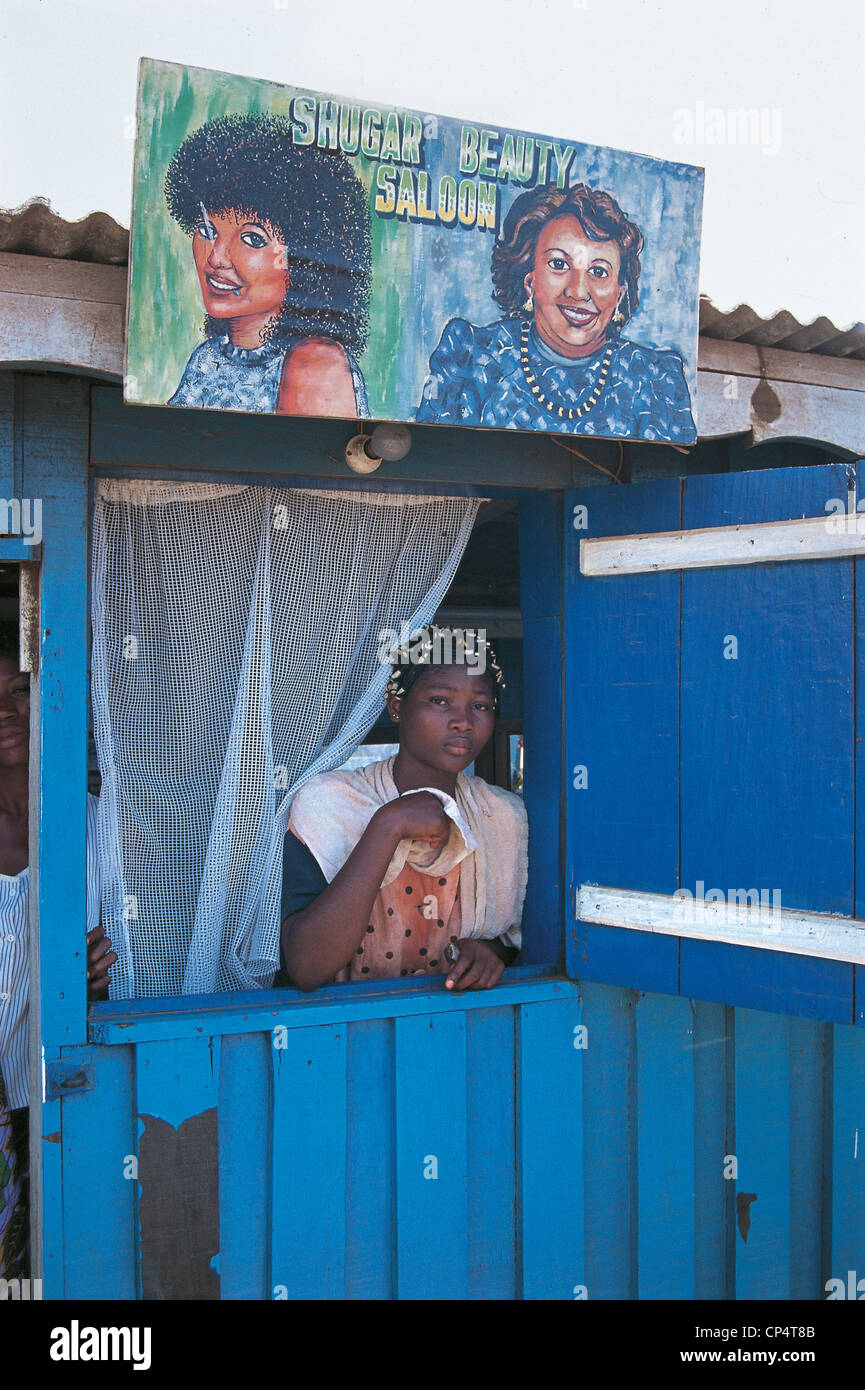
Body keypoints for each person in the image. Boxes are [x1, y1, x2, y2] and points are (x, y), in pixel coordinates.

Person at [279, 628, 527, 992]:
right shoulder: (330, 801)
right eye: (440, 700)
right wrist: (388, 825)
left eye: (480, 706)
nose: (463, 721)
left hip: (458, 1030)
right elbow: (306, 968)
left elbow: (511, 941)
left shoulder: (502, 816)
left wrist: (490, 953)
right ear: (396, 706)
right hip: (332, 1035)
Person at [0, 624, 114, 1277]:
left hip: (58, 1097)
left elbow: (124, 955)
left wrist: (96, 978)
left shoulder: (98, 825)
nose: (7, 711)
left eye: (21, 689)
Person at [416, 181, 696, 443]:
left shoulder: (655, 380)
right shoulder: (471, 357)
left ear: (619, 295)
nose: (578, 291)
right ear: (530, 280)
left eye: (598, 272)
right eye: (559, 265)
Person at [163, 112, 372, 418]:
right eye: (208, 231)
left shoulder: (315, 362)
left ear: (304, 263)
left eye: (252, 239)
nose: (216, 257)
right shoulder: (206, 359)